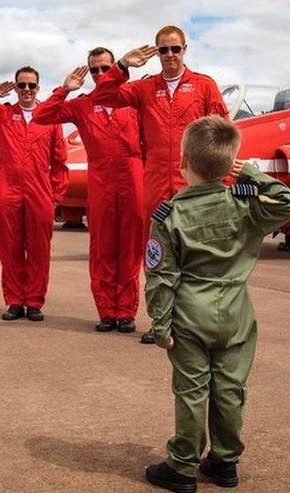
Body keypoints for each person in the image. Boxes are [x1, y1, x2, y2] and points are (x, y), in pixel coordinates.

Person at [142, 117, 290, 492]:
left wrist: (160, 326)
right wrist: (252, 175)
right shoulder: (245, 206)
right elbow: (287, 203)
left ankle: (181, 468)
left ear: (183, 161)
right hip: (236, 314)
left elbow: (161, 276)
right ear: (230, 164)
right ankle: (225, 463)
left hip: (189, 316)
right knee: (230, 389)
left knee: (192, 391)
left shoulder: (170, 215)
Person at [93, 25, 229, 344]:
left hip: (193, 182)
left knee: (195, 255)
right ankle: (160, 323)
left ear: (185, 50)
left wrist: (224, 180)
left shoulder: (204, 86)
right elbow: (102, 95)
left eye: (175, 49)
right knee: (157, 254)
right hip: (155, 181)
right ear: (156, 53)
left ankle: (194, 325)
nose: (169, 56)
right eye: (163, 50)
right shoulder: (143, 88)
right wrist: (122, 66)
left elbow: (223, 133)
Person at [33, 48, 145, 333]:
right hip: (101, 180)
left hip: (132, 177)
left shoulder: (134, 98)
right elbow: (42, 116)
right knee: (102, 248)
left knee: (130, 248)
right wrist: (64, 89)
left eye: (105, 68)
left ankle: (126, 311)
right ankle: (107, 311)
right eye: (94, 70)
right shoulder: (83, 104)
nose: (100, 75)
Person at [0, 67, 69, 321]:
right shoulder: (3, 114)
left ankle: (34, 302)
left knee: (39, 250)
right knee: (10, 249)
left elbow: (60, 159)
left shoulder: (49, 117)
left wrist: (56, 196)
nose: (27, 91)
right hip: (8, 191)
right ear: (16, 87)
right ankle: (14, 301)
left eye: (31, 86)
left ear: (38, 88)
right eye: (22, 86)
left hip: (39, 192)